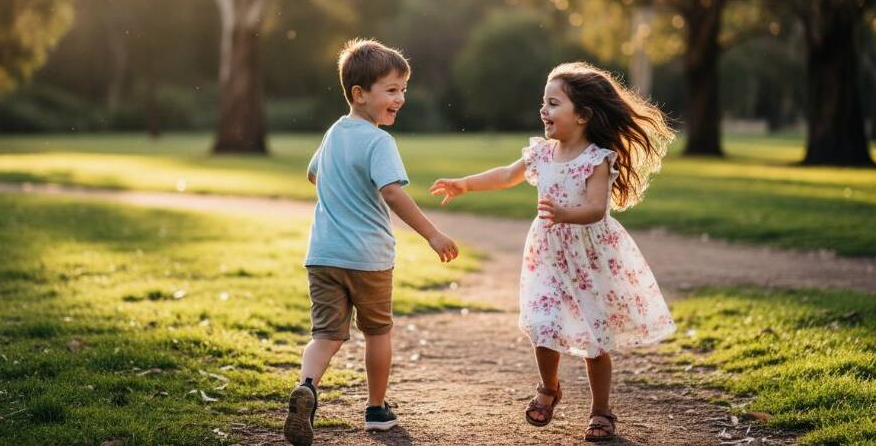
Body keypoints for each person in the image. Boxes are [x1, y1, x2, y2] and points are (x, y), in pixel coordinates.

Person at [430, 62, 675, 442]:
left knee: (595, 339)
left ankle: (601, 410)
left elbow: (596, 208)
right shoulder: (543, 153)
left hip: (589, 257)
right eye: (544, 102)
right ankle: (549, 387)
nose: (543, 110)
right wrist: (464, 184)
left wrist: (565, 214)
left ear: (583, 115)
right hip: (547, 254)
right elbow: (506, 175)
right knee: (543, 322)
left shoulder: (597, 159)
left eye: (554, 103)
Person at [284, 39, 459, 446]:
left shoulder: (333, 133)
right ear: (360, 94)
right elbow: (393, 193)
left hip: (323, 255)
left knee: (326, 334)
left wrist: (342, 188)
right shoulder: (379, 142)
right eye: (391, 90)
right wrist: (432, 233)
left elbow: (314, 175)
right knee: (378, 332)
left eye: (403, 90)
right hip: (369, 258)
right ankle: (377, 409)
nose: (400, 98)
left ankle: (307, 386)